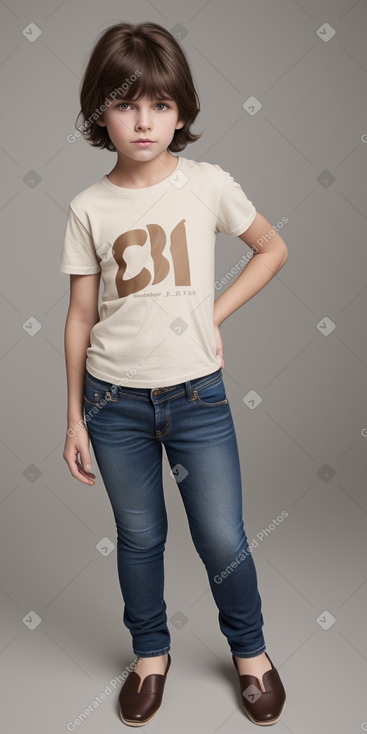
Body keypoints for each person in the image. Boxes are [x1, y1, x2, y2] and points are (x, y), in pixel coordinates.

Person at [61, 21, 288, 728]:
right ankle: (149, 654)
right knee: (139, 537)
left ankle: (249, 653)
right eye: (126, 103)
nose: (143, 120)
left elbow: (271, 247)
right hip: (111, 404)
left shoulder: (206, 184)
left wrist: (211, 314)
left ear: (181, 111)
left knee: (222, 537)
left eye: (159, 104)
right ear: (101, 111)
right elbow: (77, 317)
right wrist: (72, 416)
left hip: (196, 399)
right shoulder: (88, 208)